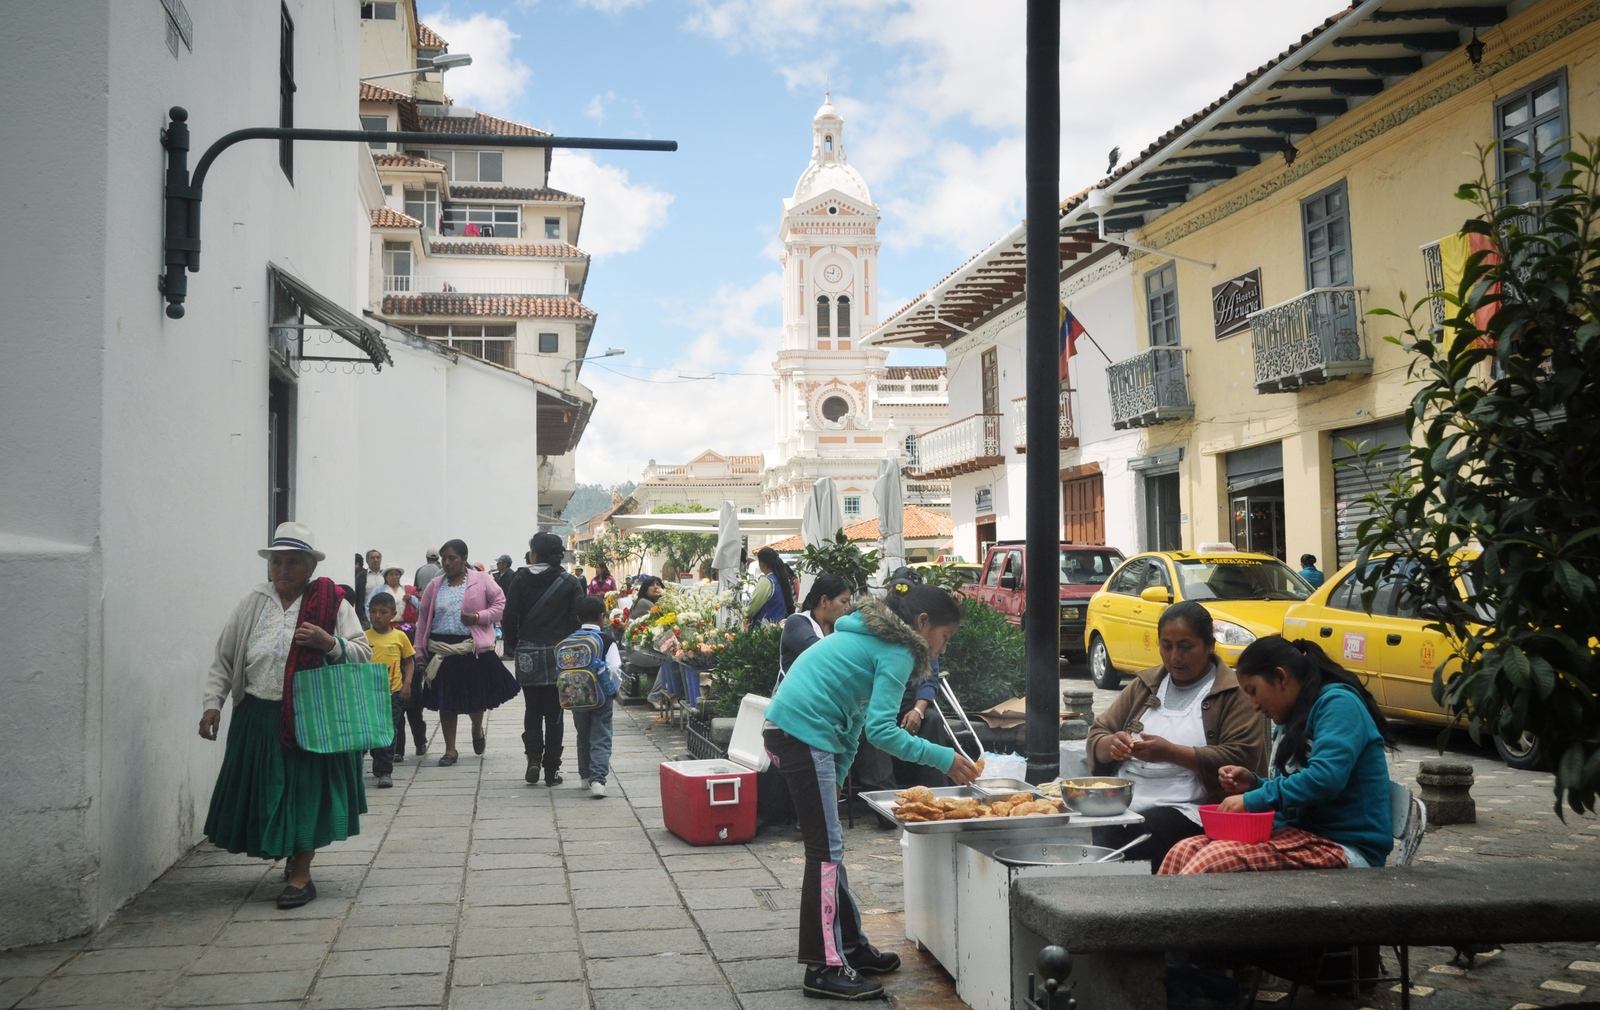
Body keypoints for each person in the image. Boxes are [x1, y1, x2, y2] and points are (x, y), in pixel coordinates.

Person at [763, 583, 981, 1001]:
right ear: (922, 624)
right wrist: (945, 757)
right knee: (825, 853)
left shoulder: (873, 639)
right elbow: (881, 731)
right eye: (945, 637)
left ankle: (850, 947)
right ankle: (822, 968)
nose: (944, 648)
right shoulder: (898, 651)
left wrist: (841, 771)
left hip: (800, 733)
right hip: (800, 734)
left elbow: (856, 714)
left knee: (831, 848)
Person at [199, 521, 373, 910]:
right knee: (269, 790)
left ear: (310, 567)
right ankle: (291, 853)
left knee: (304, 791)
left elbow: (364, 653)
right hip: (258, 715)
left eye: (293, 562)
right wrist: (214, 704)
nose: (283, 570)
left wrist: (329, 643)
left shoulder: (332, 605)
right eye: (277, 562)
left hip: (310, 716)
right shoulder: (252, 604)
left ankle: (301, 873)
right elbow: (226, 658)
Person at [1160, 635, 1395, 874]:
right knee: (1183, 850)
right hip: (1299, 837)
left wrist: (1252, 800)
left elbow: (1324, 779)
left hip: (1345, 847)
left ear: (1281, 677)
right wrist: (1253, 783)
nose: (1254, 705)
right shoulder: (1292, 713)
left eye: (1254, 691)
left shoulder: (1338, 705)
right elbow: (1295, 785)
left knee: (1213, 861)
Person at [1085, 601, 1268, 871]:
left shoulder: (1233, 693)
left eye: (1185, 647)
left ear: (1210, 646)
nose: (1174, 657)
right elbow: (1098, 733)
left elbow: (1242, 757)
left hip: (1189, 809)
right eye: (1166, 646)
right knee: (1103, 828)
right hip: (1127, 800)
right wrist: (1110, 745)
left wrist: (1171, 753)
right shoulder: (1146, 685)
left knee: (1151, 828)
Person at [414, 539, 517, 766]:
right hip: (441, 650)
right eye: (444, 558)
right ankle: (450, 750)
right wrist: (420, 652)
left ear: (464, 558)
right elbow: (423, 620)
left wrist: (478, 618)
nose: (447, 563)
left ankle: (476, 728)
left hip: (471, 648)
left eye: (452, 558)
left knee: (475, 698)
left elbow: (500, 604)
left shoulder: (482, 580)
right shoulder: (435, 585)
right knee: (445, 702)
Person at [503, 532, 584, 786]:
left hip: (528, 652)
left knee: (532, 709)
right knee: (556, 712)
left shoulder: (519, 578)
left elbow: (509, 617)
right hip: (561, 655)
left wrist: (514, 646)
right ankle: (552, 770)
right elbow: (577, 620)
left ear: (534, 554)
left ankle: (533, 761)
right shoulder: (570, 582)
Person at [569, 595, 623, 798]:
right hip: (601, 696)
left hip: (575, 696)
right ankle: (598, 780)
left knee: (582, 735)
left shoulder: (570, 639)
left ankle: (584, 777)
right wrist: (614, 690)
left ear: (577, 617)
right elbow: (615, 669)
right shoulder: (606, 640)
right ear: (603, 617)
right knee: (601, 736)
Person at [364, 592, 414, 788]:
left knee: (388, 730)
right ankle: (374, 759)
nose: (377, 616)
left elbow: (409, 662)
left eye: (383, 612)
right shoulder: (363, 637)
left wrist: (407, 684)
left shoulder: (399, 637)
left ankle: (385, 770)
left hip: (391, 693)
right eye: (373, 612)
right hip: (367, 693)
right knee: (369, 729)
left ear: (393, 613)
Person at [379, 566, 427, 758]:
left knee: (415, 713)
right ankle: (398, 750)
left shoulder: (408, 629)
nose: (394, 577)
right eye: (391, 574)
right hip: (392, 679)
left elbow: (411, 657)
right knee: (396, 717)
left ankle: (420, 742)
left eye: (397, 574)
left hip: (410, 676)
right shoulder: (380, 592)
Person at [778, 573, 853, 676]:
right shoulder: (796, 622)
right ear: (824, 601)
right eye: (844, 601)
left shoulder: (837, 629)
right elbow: (821, 653)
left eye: (849, 602)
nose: (848, 607)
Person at [746, 546, 798, 628]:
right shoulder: (781, 579)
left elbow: (752, 608)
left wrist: (744, 615)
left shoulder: (766, 581)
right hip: (779, 629)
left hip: (764, 631)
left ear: (763, 564)